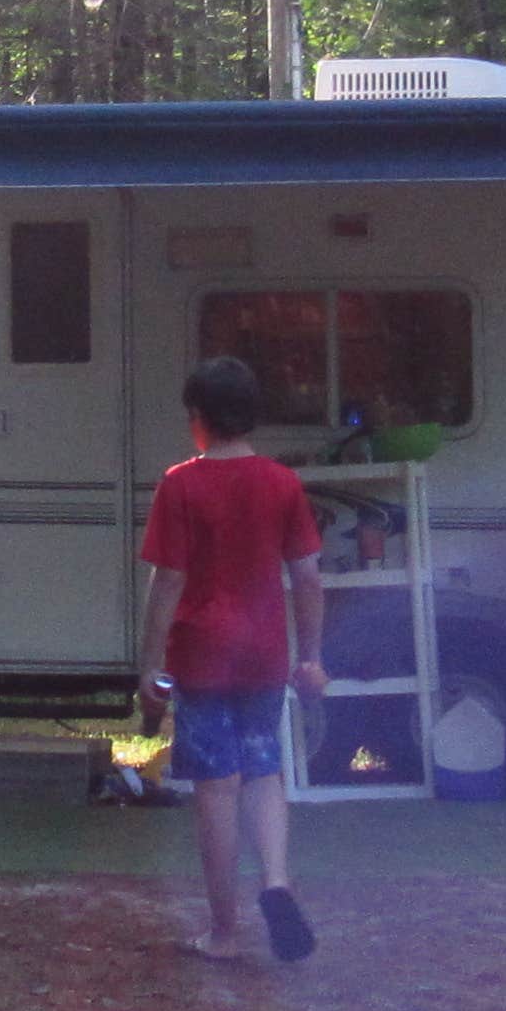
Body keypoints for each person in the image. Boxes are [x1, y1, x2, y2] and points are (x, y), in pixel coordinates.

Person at [137, 353, 327, 964]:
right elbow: (307, 577)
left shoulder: (181, 483)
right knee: (263, 770)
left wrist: (148, 666)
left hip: (202, 655)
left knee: (216, 791)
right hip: (265, 653)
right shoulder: (283, 484)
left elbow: (167, 582)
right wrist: (313, 655)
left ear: (198, 418)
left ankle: (222, 932)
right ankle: (275, 880)